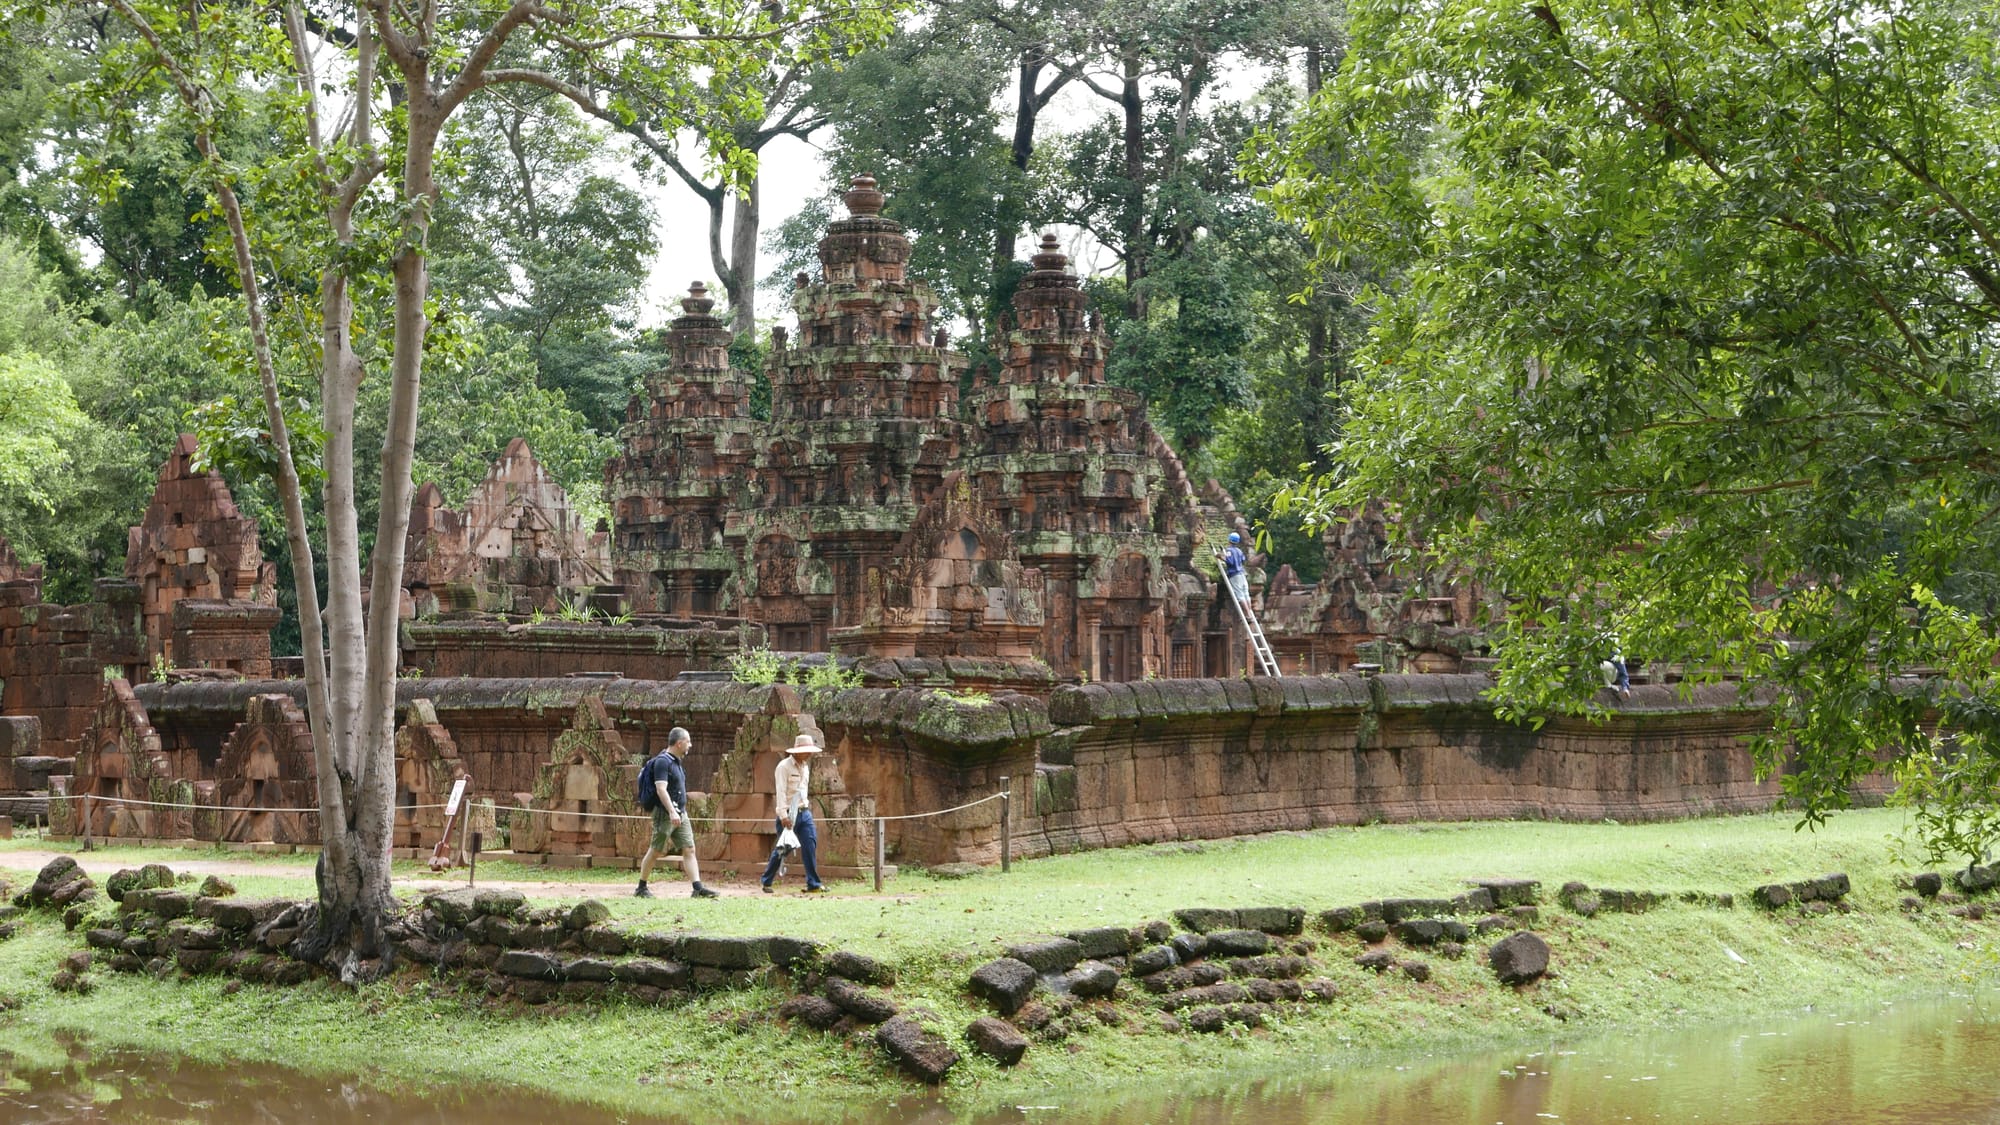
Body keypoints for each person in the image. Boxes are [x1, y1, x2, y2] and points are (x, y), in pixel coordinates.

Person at [636, 726, 718, 898]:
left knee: (689, 849)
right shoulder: (663, 762)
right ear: (679, 743)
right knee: (656, 850)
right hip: (665, 814)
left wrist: (678, 812)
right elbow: (661, 789)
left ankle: (697, 888)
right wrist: (672, 812)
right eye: (688, 741)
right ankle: (641, 887)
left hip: (681, 813)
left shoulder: (676, 762)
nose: (690, 745)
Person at [760, 733, 826, 894]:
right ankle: (766, 880)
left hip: (804, 811)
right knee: (784, 848)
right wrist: (783, 815)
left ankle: (813, 883)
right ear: (797, 751)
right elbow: (781, 791)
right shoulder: (783, 767)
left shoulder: (805, 767)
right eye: (806, 751)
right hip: (789, 814)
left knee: (810, 845)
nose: (809, 754)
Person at [1221, 532, 1250, 605]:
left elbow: (1230, 561)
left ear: (1229, 540)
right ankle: (1249, 610)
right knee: (1246, 594)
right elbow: (1243, 560)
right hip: (1242, 574)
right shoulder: (1239, 551)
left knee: (1240, 595)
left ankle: (1247, 612)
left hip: (1234, 575)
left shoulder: (1229, 550)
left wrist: (1221, 557)